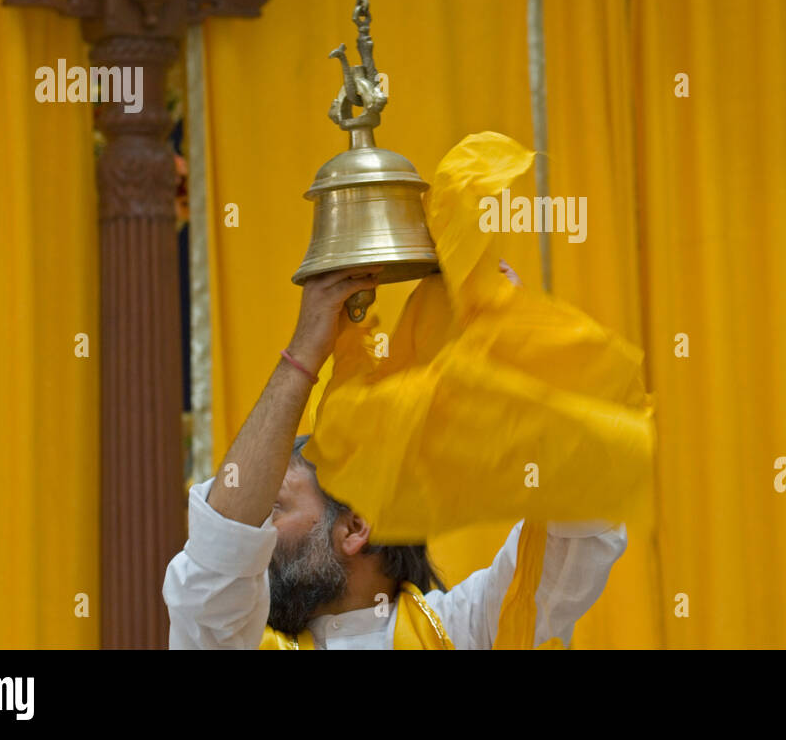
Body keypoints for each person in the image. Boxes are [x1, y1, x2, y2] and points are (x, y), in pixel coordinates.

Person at [162, 264, 627, 649]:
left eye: (274, 510)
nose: (255, 537)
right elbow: (218, 557)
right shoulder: (232, 642)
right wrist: (305, 351)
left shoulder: (467, 631)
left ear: (355, 527)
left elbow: (581, 524)